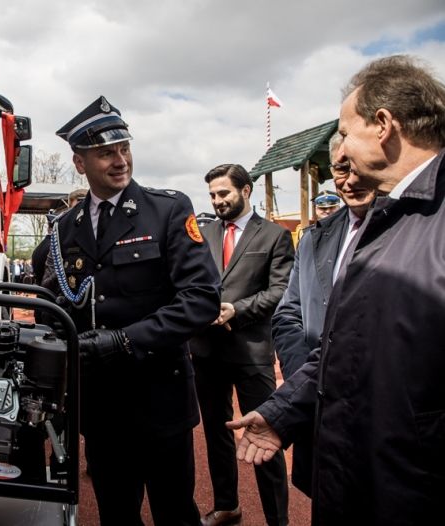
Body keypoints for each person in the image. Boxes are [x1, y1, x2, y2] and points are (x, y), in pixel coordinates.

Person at [228, 54, 445, 525]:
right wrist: (285, 412)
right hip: (357, 472)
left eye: (345, 132)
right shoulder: (391, 220)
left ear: (383, 125)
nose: (340, 151)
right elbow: (349, 347)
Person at [44, 95, 221, 526]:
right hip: (101, 407)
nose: (120, 160)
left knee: (175, 513)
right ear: (80, 163)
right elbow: (55, 301)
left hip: (160, 397)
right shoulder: (65, 227)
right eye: (106, 152)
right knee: (116, 514)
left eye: (124, 148)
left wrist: (125, 340)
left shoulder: (167, 209)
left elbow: (201, 299)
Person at [271, 132, 375, 497]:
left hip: (381, 411)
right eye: (341, 168)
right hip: (319, 402)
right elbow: (288, 315)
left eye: (359, 166)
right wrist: (309, 381)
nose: (351, 179)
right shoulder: (314, 238)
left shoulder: (406, 229)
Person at [189, 164, 293, 526]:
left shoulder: (275, 236)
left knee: (264, 438)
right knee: (216, 434)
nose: (217, 201)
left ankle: (277, 519)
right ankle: (227, 506)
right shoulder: (202, 234)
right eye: (213, 195)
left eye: (224, 193)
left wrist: (238, 309)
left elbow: (281, 291)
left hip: (251, 352)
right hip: (206, 351)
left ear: (245, 190)